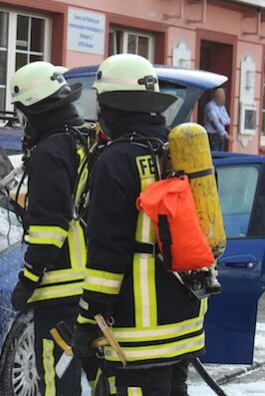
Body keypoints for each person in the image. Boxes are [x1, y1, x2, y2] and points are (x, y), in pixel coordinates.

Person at [72, 54, 207, 396]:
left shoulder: (117, 160)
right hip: (185, 323)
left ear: (112, 106)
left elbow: (107, 254)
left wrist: (88, 321)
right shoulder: (183, 152)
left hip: (138, 335)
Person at [9, 61, 90, 395]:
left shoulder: (50, 151)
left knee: (56, 381)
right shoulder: (81, 139)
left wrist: (28, 280)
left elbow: (50, 227)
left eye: (21, 113)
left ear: (33, 109)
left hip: (61, 289)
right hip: (89, 284)